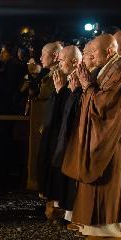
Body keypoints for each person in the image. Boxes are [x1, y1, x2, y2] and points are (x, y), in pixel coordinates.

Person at [62, 34, 121, 240]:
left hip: (109, 139)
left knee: (107, 185)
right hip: (98, 135)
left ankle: (111, 233)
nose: (89, 57)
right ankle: (92, 227)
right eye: (87, 53)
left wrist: (87, 86)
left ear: (109, 51)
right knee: (91, 183)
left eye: (92, 52)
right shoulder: (107, 69)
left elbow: (105, 106)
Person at [39, 45, 81, 219]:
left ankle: (61, 208)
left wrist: (60, 91)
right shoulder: (62, 77)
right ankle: (56, 205)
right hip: (55, 131)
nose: (60, 63)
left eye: (63, 60)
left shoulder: (73, 79)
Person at [28, 42, 61, 196]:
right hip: (44, 122)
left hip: (50, 124)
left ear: (55, 56)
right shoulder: (50, 74)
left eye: (43, 54)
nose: (40, 58)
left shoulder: (59, 74)